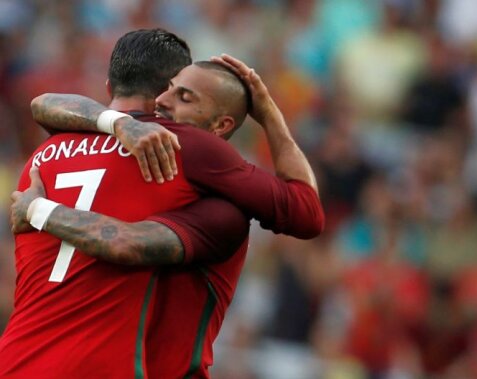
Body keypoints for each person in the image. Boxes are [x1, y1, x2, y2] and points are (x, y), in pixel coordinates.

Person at [1, 30, 324, 379]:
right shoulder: (181, 148)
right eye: (171, 89)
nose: (167, 101)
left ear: (109, 86)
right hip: (100, 367)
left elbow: (42, 104)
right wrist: (271, 114)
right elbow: (306, 212)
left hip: (14, 359)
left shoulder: (45, 154)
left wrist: (37, 209)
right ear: (160, 91)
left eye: (183, 94)